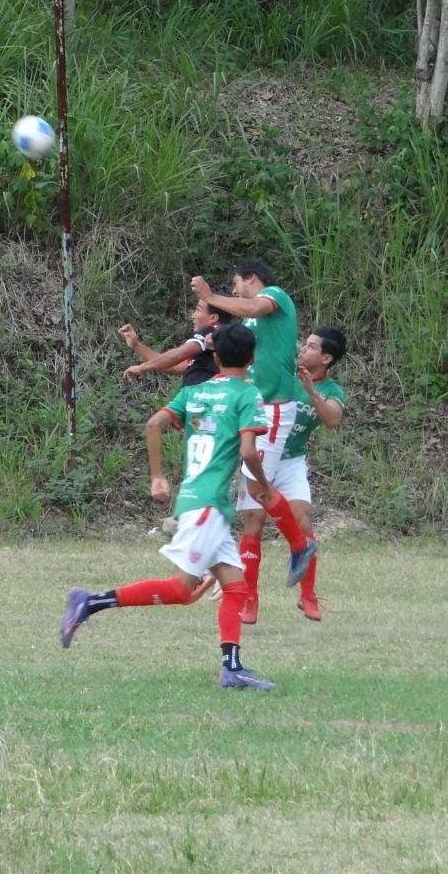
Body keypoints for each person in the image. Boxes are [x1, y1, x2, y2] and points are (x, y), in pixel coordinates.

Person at [60, 323, 277, 691]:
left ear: (217, 357)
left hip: (200, 501)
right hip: (208, 505)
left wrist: (158, 476)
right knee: (180, 589)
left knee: (236, 588)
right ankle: (90, 602)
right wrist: (265, 488)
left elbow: (155, 423)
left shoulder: (194, 391)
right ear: (253, 358)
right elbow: (246, 452)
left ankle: (232, 669)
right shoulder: (249, 394)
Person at [190, 259, 314, 624]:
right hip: (256, 412)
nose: (235, 292)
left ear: (252, 279)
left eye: (236, 285)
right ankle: (249, 597)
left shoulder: (275, 297)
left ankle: (297, 548)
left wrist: (212, 296)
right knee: (251, 509)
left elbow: (254, 305)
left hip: (275, 411)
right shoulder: (249, 322)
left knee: (256, 499)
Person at [283, 328, 348, 622]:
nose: (302, 349)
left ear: (326, 358)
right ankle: (247, 598)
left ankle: (308, 597)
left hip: (291, 461)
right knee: (253, 525)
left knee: (303, 522)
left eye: (310, 347)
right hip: (260, 454)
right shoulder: (283, 369)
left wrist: (310, 390)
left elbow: (332, 419)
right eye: (303, 344)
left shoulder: (331, 390)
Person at [118, 298, 236, 387]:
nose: (193, 315)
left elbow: (176, 356)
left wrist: (142, 367)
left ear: (213, 318)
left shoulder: (214, 330)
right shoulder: (216, 340)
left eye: (198, 309)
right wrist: (136, 345)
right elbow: (173, 367)